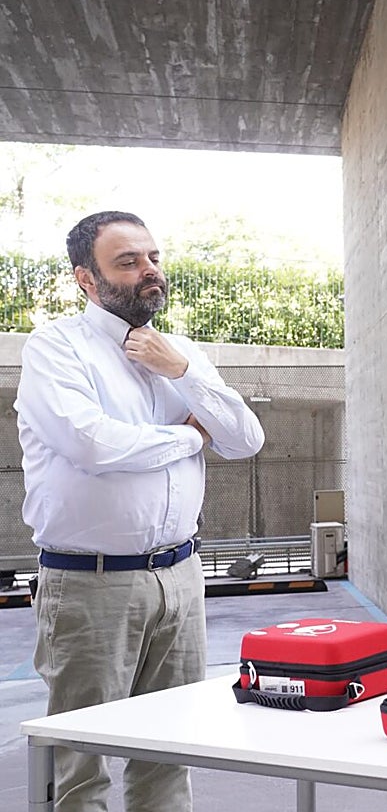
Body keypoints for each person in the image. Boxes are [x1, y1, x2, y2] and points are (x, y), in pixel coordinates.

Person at [16, 210, 265, 811]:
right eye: (127, 262)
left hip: (180, 578)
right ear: (86, 278)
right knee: (82, 760)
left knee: (170, 751)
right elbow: (94, 445)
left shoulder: (180, 353)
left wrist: (180, 371)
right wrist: (186, 437)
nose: (148, 270)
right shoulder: (56, 349)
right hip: (89, 583)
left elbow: (247, 438)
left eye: (152, 257)